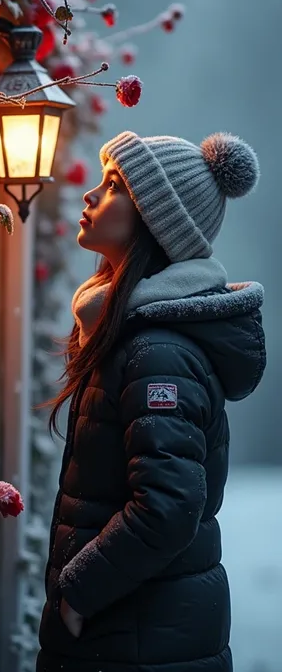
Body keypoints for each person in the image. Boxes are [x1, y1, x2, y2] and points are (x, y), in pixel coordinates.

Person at [36, 131, 266, 672]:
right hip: (128, 634)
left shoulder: (158, 352)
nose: (91, 196)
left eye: (114, 186)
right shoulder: (131, 334)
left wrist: (79, 592)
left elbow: (167, 506)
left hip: (135, 637)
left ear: (154, 221)